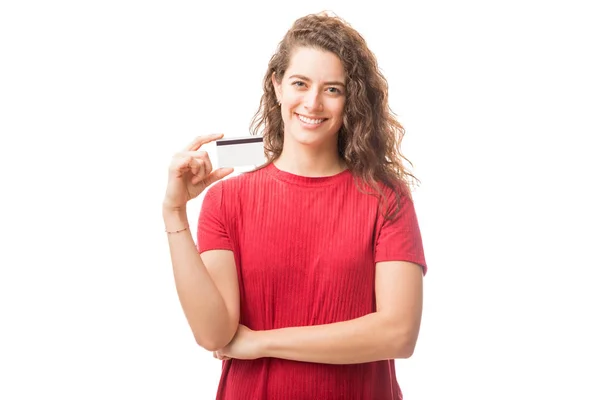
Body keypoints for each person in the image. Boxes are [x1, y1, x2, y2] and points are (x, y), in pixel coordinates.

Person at [162, 11, 427, 400]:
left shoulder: (386, 199)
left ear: (349, 97)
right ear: (278, 85)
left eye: (332, 89)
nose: (313, 103)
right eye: (300, 83)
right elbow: (214, 333)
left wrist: (262, 343)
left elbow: (398, 334)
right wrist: (174, 212)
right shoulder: (227, 200)